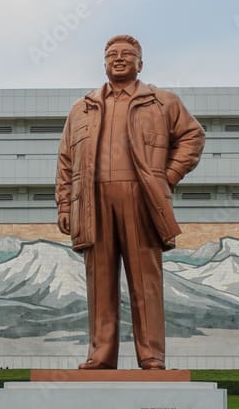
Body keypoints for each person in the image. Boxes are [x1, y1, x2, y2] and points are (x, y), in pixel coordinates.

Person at [55, 35, 205, 370]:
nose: (118, 59)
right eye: (111, 55)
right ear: (104, 62)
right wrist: (65, 205)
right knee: (99, 283)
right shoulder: (82, 108)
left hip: (142, 199)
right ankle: (101, 354)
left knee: (145, 282)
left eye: (127, 54)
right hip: (93, 201)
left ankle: (151, 356)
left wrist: (167, 176)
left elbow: (193, 136)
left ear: (141, 63)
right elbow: (66, 160)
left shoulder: (162, 102)